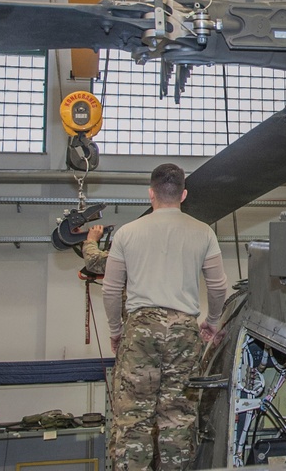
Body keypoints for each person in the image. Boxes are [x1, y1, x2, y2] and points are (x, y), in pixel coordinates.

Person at [101, 163, 229, 471]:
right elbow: (218, 286)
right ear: (183, 194)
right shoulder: (204, 232)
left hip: (140, 329)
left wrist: (117, 331)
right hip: (185, 332)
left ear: (150, 194)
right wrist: (212, 322)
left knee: (133, 418)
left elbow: (110, 290)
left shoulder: (127, 233)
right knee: (178, 417)